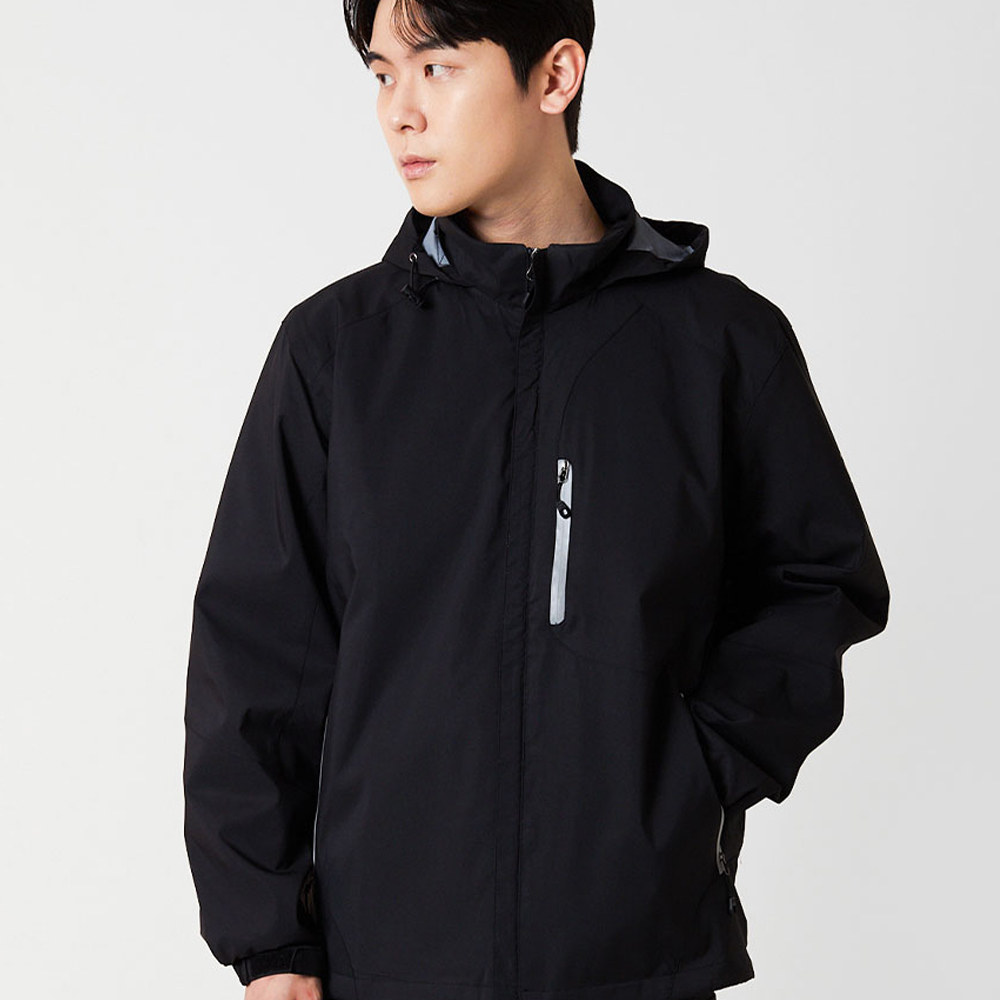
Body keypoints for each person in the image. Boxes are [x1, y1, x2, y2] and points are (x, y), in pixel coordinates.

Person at [182, 2, 891, 999]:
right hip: (388, 964)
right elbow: (255, 657)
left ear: (555, 76)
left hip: (637, 961)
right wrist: (271, 943)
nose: (399, 111)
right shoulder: (337, 353)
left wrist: (692, 767)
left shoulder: (720, 344)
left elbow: (818, 582)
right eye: (382, 74)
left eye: (436, 68)